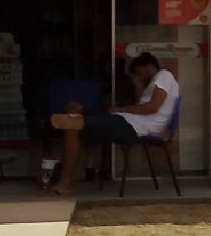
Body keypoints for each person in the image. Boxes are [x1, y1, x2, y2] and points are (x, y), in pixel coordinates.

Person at [45, 53, 180, 196]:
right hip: (128, 121)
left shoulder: (164, 75)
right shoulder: (159, 80)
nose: (139, 78)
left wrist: (122, 109)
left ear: (150, 67)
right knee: (77, 115)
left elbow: (152, 107)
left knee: (72, 126)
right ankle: (74, 114)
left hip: (133, 125)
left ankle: (65, 183)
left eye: (139, 73)